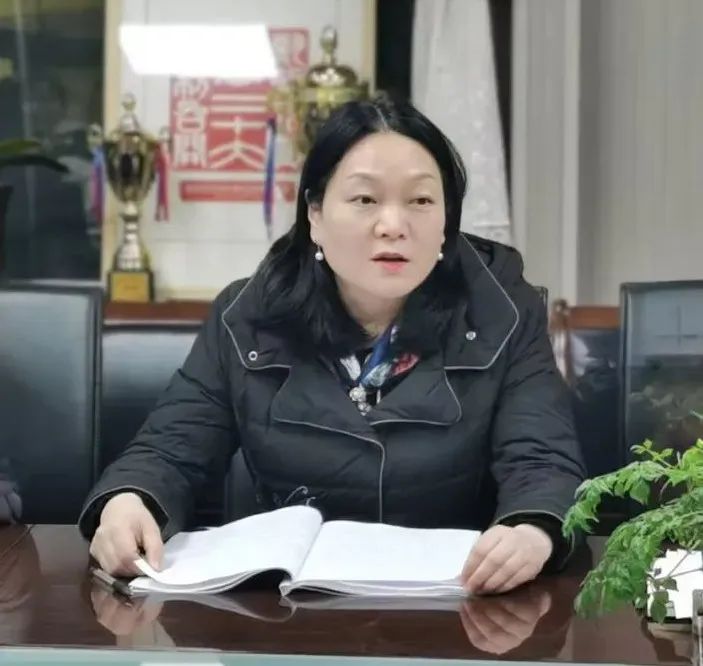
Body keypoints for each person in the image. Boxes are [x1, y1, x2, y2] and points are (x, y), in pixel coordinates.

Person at [80, 94, 585, 594]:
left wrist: (532, 529)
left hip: (457, 608)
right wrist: (128, 502)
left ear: (446, 221)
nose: (393, 225)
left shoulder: (503, 313)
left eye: (421, 201)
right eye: (365, 200)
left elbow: (542, 462)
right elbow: (169, 451)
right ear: (315, 215)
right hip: (282, 612)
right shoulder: (249, 316)